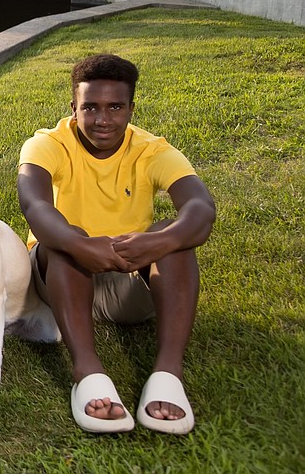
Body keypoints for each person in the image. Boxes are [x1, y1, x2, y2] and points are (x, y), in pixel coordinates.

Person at [17, 54, 215, 435]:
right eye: (90, 107)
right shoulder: (46, 144)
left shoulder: (152, 149)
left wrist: (159, 241)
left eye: (115, 108)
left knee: (175, 238)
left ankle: (169, 373)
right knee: (62, 236)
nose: (102, 119)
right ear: (73, 108)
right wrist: (80, 245)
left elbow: (200, 207)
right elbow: (35, 205)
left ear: (130, 109)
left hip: (129, 279)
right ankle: (86, 370)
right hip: (63, 282)